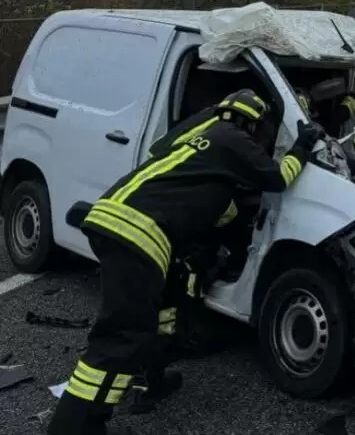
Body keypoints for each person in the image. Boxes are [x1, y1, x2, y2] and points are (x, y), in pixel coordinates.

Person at [47, 90, 323, 435]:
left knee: (162, 311)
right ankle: (75, 426)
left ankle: (152, 382)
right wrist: (303, 146)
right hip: (138, 234)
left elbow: (217, 215)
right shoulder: (232, 137)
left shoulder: (197, 146)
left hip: (117, 219)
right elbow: (278, 179)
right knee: (122, 338)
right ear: (249, 123)